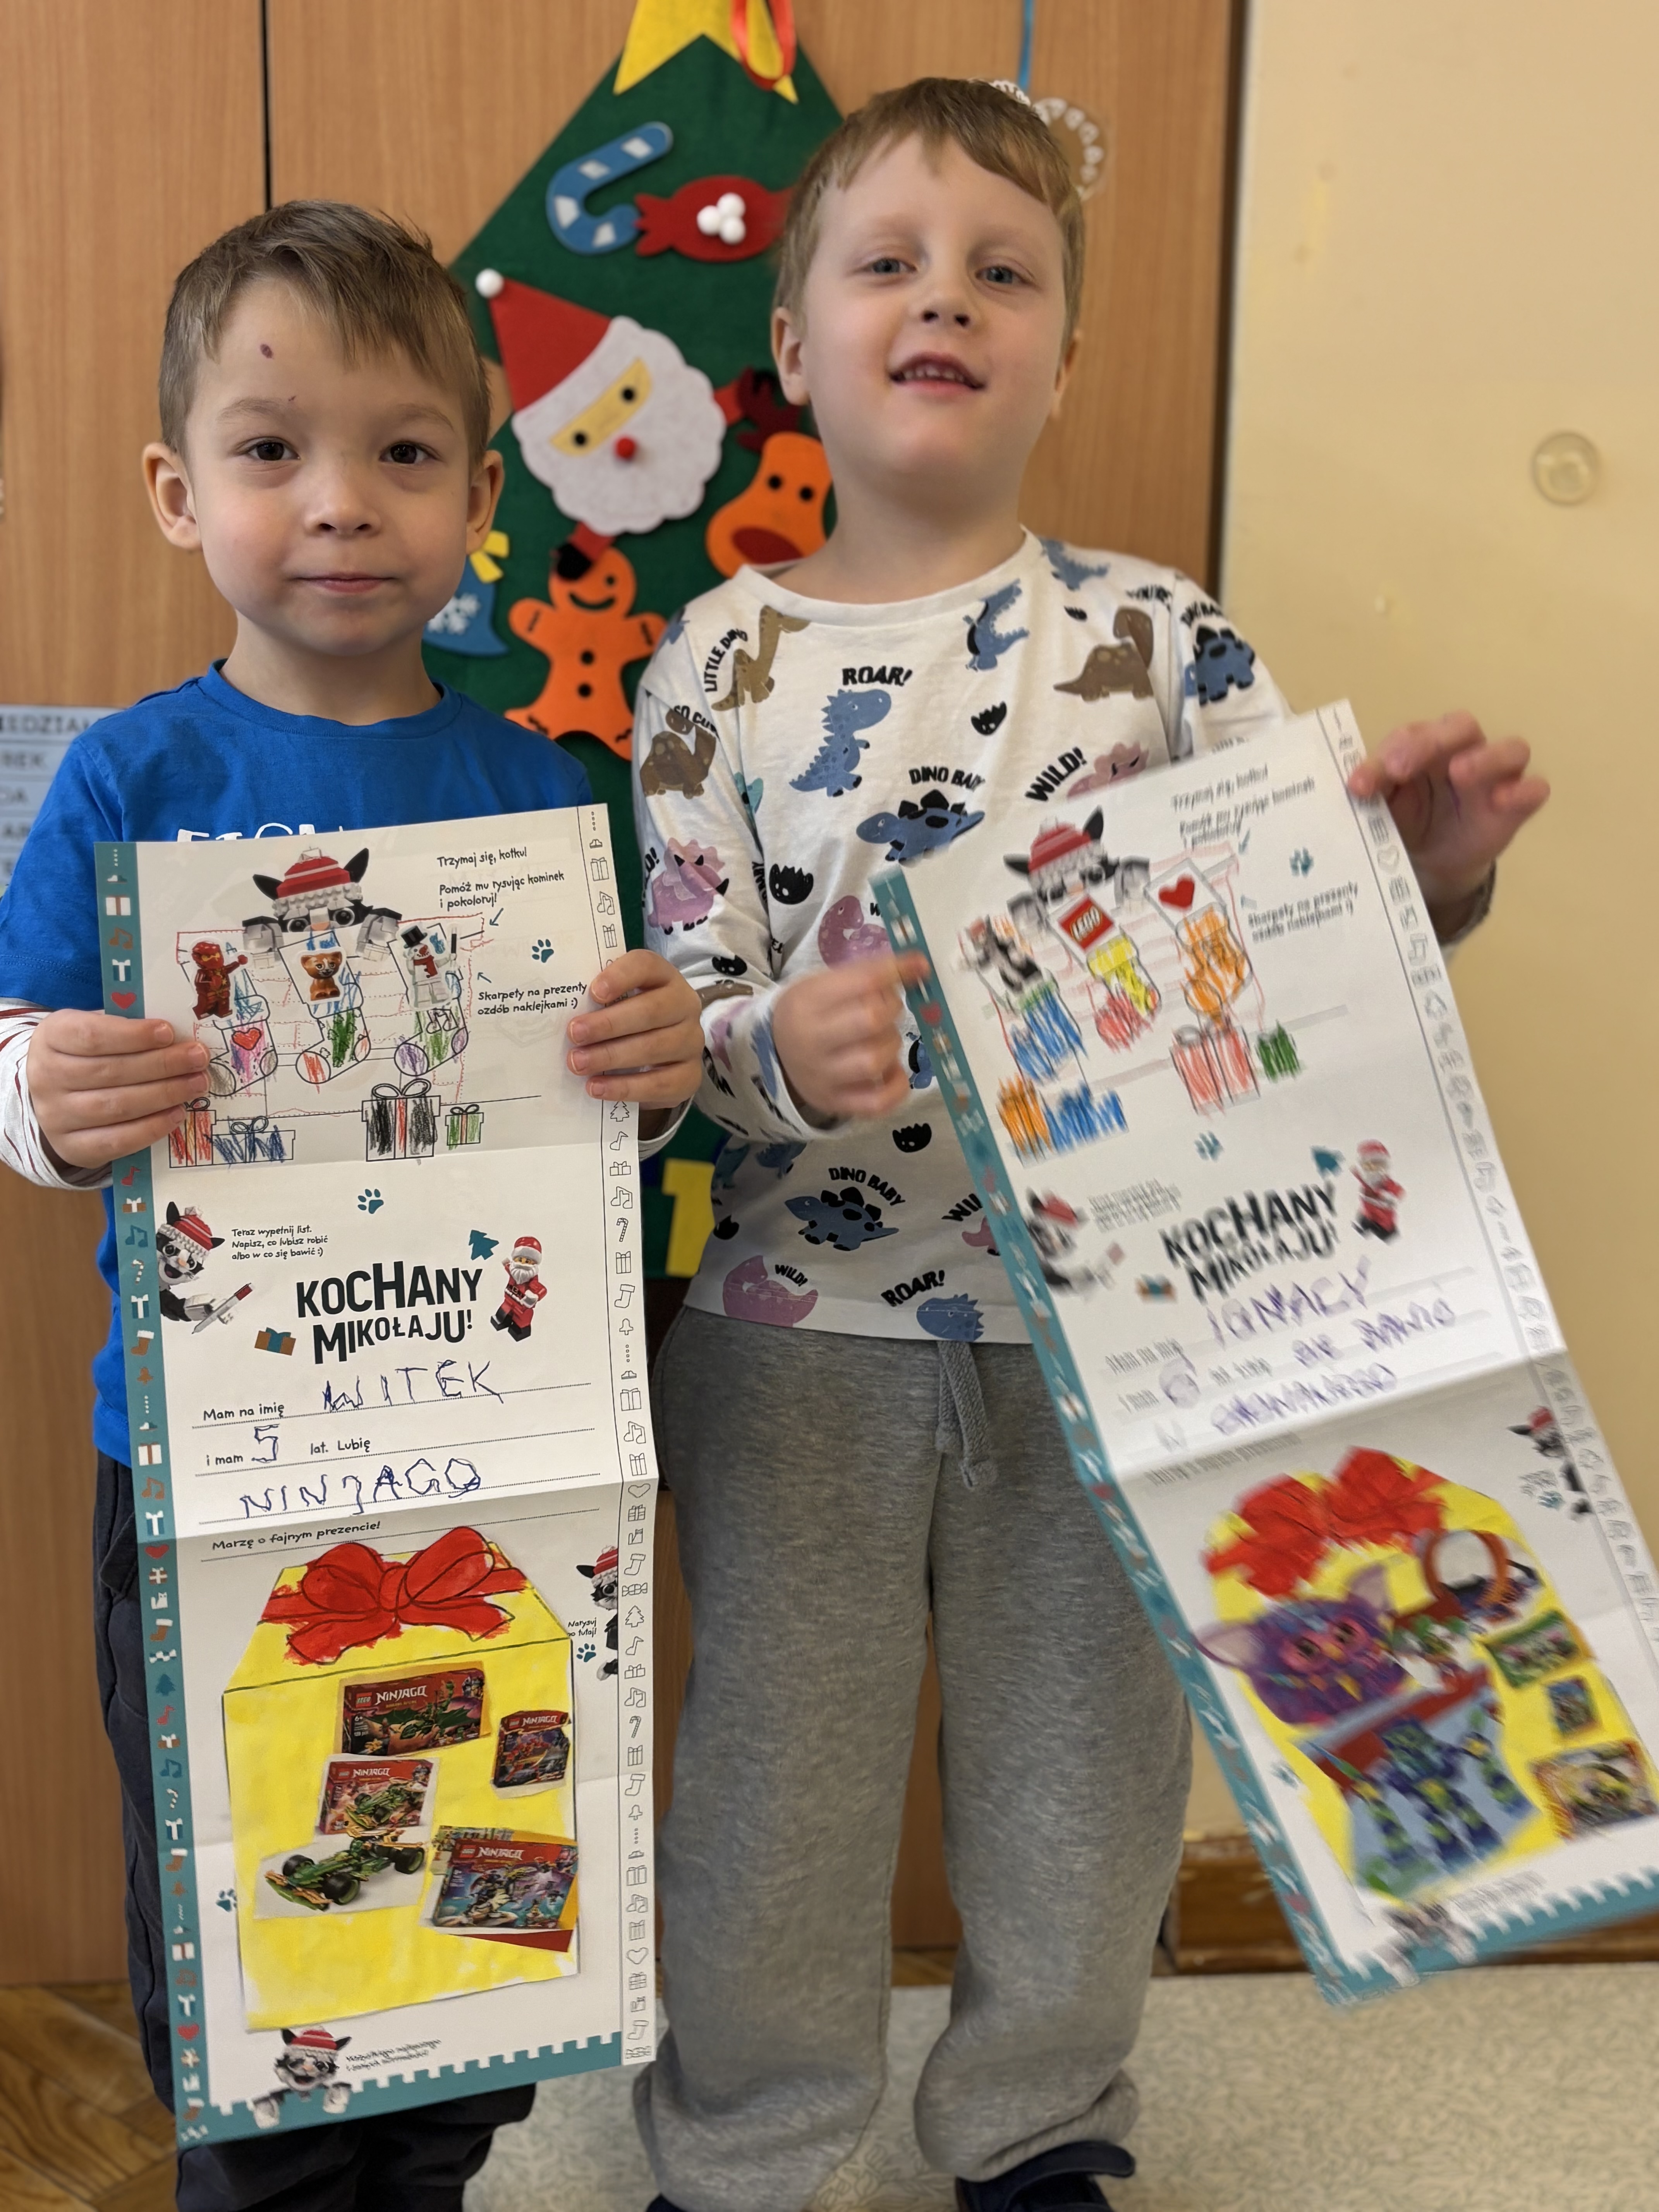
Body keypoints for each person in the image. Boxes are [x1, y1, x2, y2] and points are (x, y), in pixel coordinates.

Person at [631, 78, 1548, 2212]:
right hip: (793, 1329)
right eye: (889, 263)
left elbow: (1295, 943)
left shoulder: (1162, 640)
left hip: (1121, 1333)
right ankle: (748, 2143)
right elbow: (666, 1022)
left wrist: (1422, 876)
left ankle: (1044, 2124)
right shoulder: (721, 661)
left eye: (1003, 271)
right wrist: (775, 1046)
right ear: (796, 346)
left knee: (1085, 1772)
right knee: (776, 1782)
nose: (945, 299)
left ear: (1066, 353)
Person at [0, 201, 701, 2212]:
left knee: (465, 1909)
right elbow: (17, 1042)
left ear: (481, 500)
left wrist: (654, 1075)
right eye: (271, 448)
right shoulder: (130, 782)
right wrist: (44, 1096)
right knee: (254, 1928)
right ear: (177, 491)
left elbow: (607, 1124)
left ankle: (432, 2171)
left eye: (403, 452)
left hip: (491, 1457)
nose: (338, 502)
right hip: (211, 1467)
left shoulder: (546, 791)